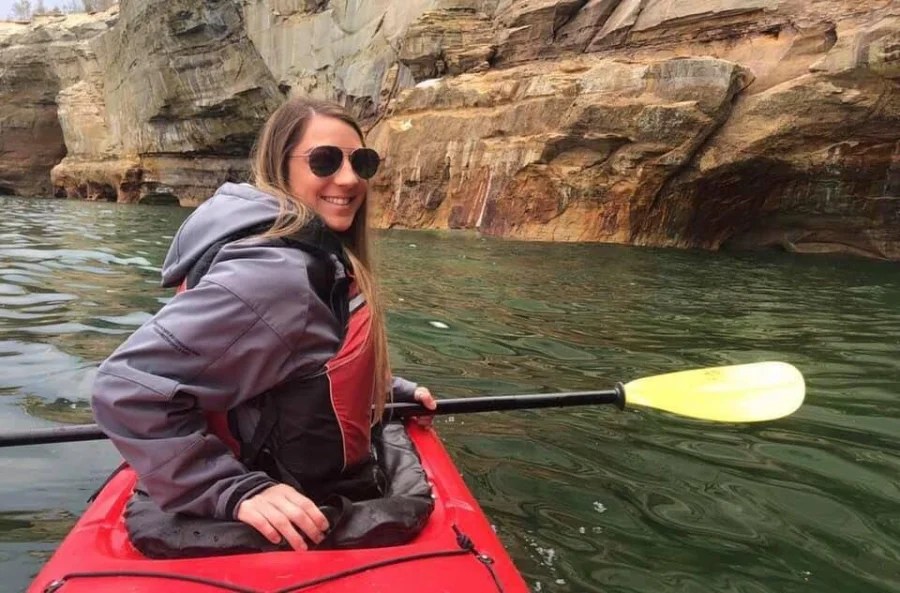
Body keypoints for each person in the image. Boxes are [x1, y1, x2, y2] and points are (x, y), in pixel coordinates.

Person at [91, 97, 437, 553]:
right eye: (325, 160)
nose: (350, 178)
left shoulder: (301, 252)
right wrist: (234, 490)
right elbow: (125, 390)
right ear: (281, 166)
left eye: (362, 162)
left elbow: (291, 356)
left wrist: (380, 386)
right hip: (289, 509)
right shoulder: (278, 273)